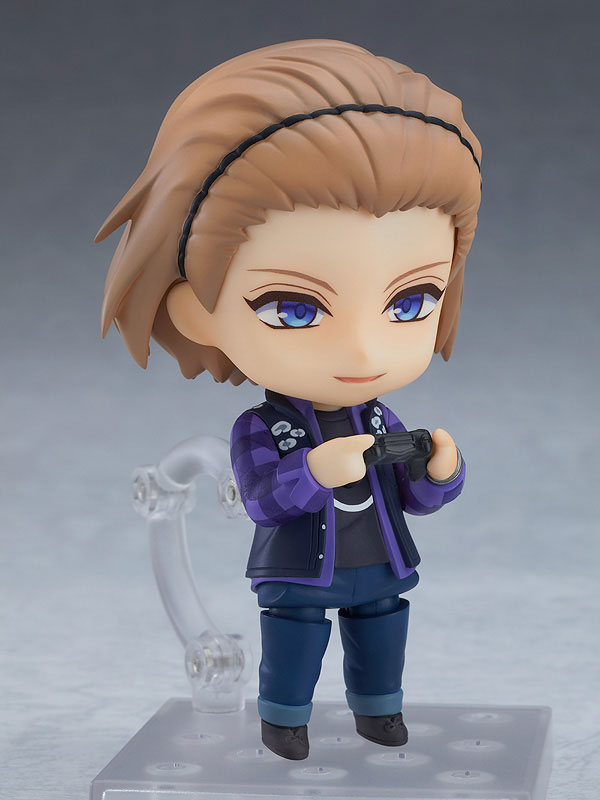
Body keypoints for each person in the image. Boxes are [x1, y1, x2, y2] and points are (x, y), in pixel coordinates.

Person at [97, 39, 482, 760]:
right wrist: (314, 471)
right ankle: (283, 719)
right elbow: (262, 500)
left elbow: (416, 497)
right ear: (196, 309)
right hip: (300, 570)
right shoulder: (262, 425)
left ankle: (379, 711)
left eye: (410, 302)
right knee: (296, 640)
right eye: (295, 308)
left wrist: (439, 469)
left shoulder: (379, 415)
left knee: (382, 630)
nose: (362, 351)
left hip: (379, 564)